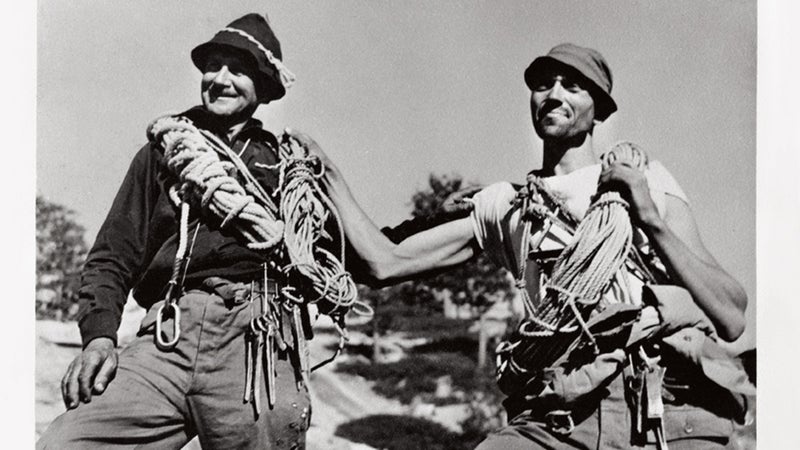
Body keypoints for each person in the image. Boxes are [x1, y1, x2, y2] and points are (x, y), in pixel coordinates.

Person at [306, 43, 751, 449]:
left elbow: (730, 316)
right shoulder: (506, 206)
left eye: (573, 86)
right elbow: (385, 262)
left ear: (599, 113)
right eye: (543, 85)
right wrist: (330, 177)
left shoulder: (646, 179)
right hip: (563, 410)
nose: (553, 94)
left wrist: (649, 217)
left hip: (660, 403)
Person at [39, 13, 322, 449]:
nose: (221, 79)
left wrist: (440, 221)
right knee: (68, 441)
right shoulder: (165, 152)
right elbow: (113, 255)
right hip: (167, 336)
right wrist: (99, 337)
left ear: (264, 87)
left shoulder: (288, 165)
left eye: (239, 69)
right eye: (214, 66)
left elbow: (347, 246)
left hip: (255, 340)